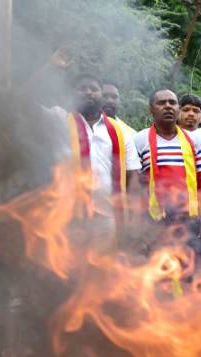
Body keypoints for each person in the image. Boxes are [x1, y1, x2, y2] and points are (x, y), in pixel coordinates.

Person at [134, 89, 201, 263]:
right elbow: (136, 187)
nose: (168, 107)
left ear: (178, 108)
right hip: (156, 222)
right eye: (161, 103)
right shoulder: (139, 140)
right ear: (151, 109)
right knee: (160, 275)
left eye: (172, 103)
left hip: (189, 221)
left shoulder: (194, 141)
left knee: (192, 273)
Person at [60, 73, 141, 245]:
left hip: (108, 217)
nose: (88, 92)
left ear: (101, 95)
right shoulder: (59, 123)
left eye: (94, 89)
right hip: (68, 215)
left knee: (104, 268)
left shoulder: (120, 132)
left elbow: (133, 175)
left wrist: (134, 215)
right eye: (82, 88)